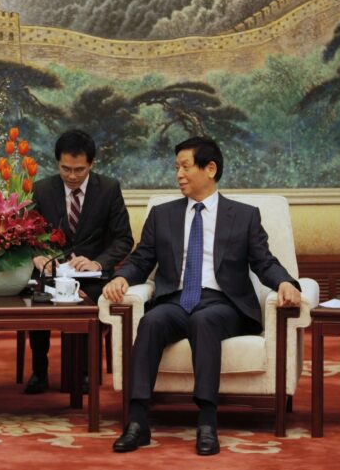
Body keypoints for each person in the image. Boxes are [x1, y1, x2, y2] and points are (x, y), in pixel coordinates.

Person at [103, 136, 302, 456]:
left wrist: (286, 283)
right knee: (151, 321)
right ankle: (137, 422)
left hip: (223, 304)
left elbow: (264, 262)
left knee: (205, 320)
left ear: (210, 168)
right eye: (176, 167)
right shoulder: (163, 214)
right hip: (176, 300)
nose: (179, 174)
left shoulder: (243, 215)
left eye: (185, 166)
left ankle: (207, 422)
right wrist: (121, 278)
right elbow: (141, 260)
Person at [26, 129, 133, 394]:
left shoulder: (108, 189)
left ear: (92, 164)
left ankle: (83, 371)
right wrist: (38, 256)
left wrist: (98, 263)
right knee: (35, 298)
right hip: (51, 274)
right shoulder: (42, 190)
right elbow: (28, 236)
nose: (72, 177)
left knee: (93, 302)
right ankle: (39, 371)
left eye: (79, 170)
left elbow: (123, 239)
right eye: (66, 169)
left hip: (92, 277)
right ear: (57, 163)